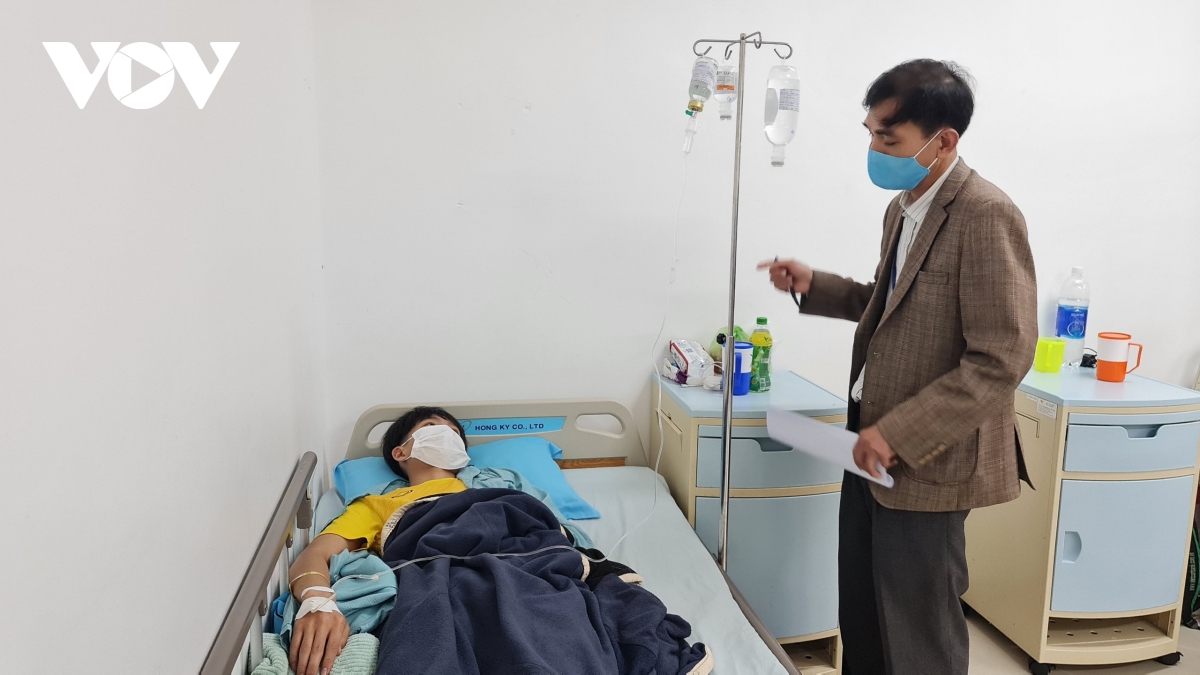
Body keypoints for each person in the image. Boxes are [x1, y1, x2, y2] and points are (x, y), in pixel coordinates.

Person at [758, 59, 1037, 674]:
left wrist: (899, 434)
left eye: (889, 139)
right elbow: (890, 304)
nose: (875, 151)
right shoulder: (905, 206)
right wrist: (815, 285)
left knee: (917, 628)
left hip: (927, 456)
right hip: (868, 438)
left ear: (944, 141)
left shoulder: (985, 214)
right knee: (863, 607)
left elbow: (1002, 356)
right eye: (870, 134)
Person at [287, 406, 472, 675]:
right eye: (431, 426)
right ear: (400, 452)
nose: (446, 433)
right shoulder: (378, 504)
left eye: (454, 432)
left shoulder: (500, 486)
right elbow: (315, 554)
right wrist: (317, 601)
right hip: (434, 580)